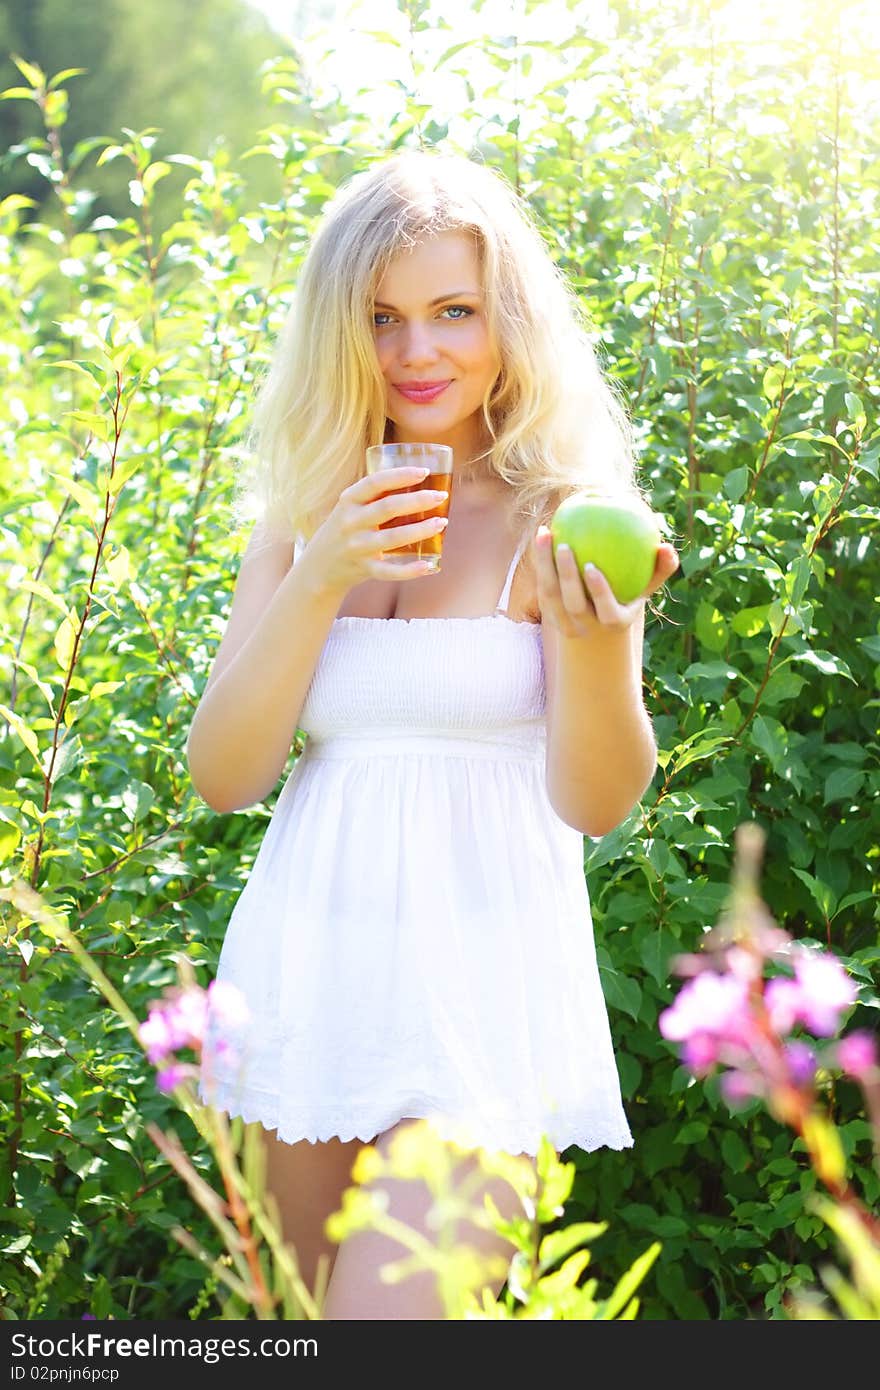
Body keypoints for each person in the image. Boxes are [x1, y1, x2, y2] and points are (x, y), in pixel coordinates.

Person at [186, 148, 679, 1320]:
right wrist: (322, 574)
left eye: (452, 311)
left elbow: (598, 802)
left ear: (504, 318)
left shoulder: (563, 519)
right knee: (301, 1331)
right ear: (338, 333)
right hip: (305, 987)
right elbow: (225, 776)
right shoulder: (306, 516)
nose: (417, 352)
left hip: (479, 1005)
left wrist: (603, 646)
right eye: (381, 318)